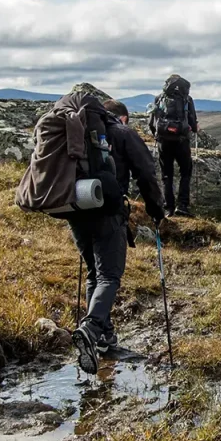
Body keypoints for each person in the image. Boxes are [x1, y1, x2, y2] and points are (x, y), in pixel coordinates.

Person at [70, 98, 165, 375]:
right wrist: (156, 210)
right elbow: (146, 172)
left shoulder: (74, 129)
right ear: (121, 117)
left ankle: (103, 338)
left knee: (94, 273)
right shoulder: (123, 133)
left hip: (75, 206)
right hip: (107, 210)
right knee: (109, 275)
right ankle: (91, 329)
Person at [149, 74, 198, 217]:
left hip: (164, 141)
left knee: (166, 175)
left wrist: (157, 136)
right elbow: (193, 123)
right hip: (181, 141)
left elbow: (152, 122)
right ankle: (182, 206)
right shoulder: (187, 99)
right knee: (185, 172)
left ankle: (168, 208)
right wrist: (194, 128)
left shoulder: (159, 98)